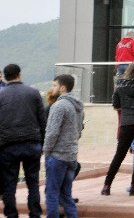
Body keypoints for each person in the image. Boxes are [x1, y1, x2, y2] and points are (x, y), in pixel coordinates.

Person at [0, 64, 46, 218]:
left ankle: (11, 215)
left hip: (7, 146)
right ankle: (35, 213)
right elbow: (42, 121)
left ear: (5, 76)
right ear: (19, 74)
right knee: (33, 183)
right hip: (32, 144)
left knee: (9, 184)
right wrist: (42, 143)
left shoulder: (1, 95)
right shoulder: (33, 93)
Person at [44, 74, 84, 218]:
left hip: (57, 156)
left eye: (54, 85)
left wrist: (46, 151)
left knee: (52, 193)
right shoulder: (78, 106)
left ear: (62, 88)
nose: (52, 88)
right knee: (66, 195)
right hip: (71, 156)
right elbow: (79, 131)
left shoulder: (59, 105)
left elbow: (52, 132)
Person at [102, 62, 134, 196]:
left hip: (125, 123)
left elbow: (115, 105)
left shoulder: (120, 86)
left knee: (119, 155)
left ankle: (107, 185)